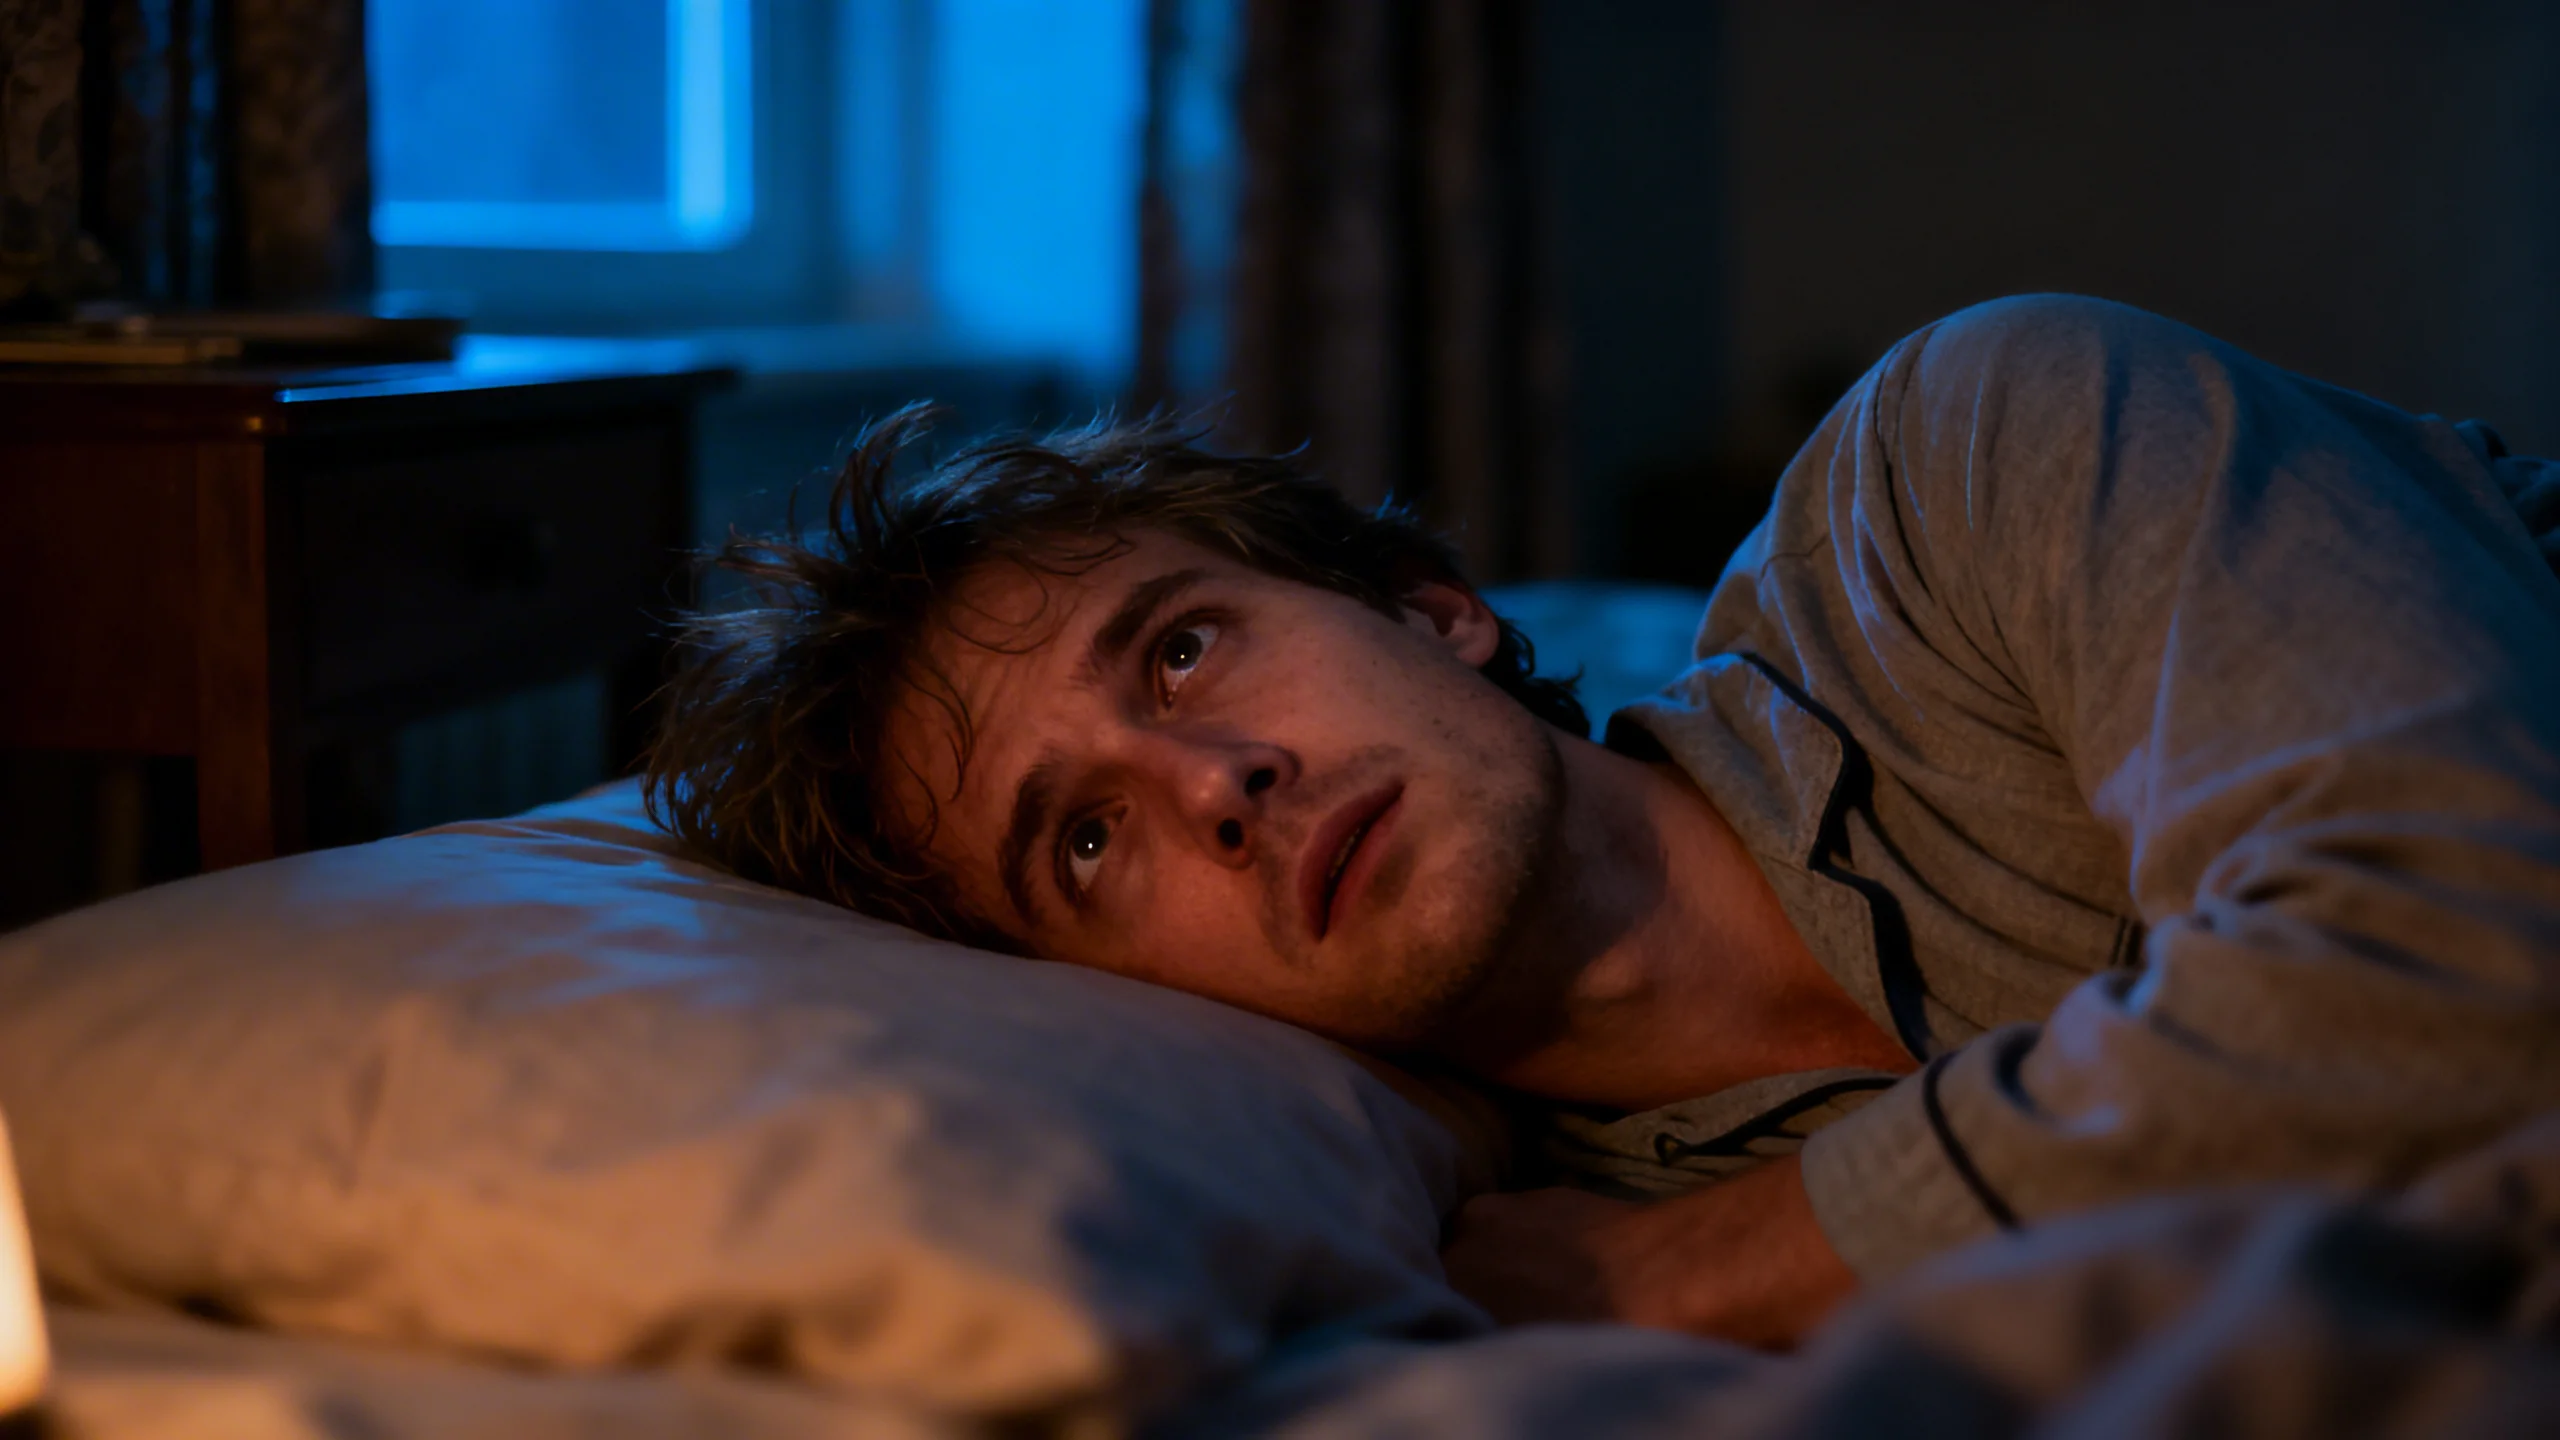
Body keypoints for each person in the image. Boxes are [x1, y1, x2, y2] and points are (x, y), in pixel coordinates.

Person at [643, 295, 2560, 1347]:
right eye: (1083, 844)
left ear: (1431, 611)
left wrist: (1692, 1274)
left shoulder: (1967, 470)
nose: (1213, 783)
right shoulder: (1489, 1254)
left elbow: (2474, 946)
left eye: (1184, 648)